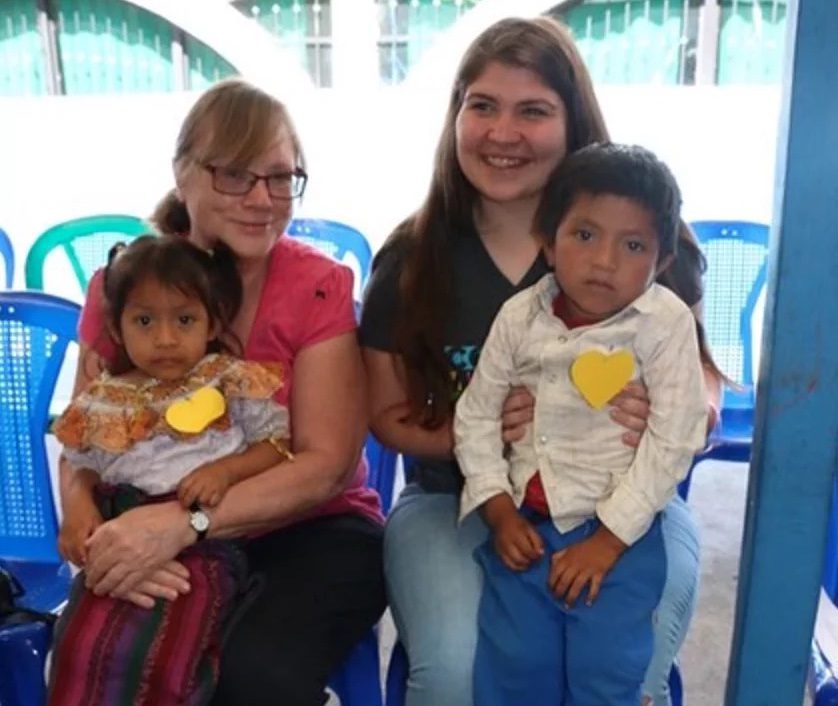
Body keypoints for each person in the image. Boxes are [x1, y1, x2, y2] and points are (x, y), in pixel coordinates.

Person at [359, 17, 721, 706]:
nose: (503, 134)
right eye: (483, 106)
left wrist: (682, 415)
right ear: (456, 114)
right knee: (462, 672)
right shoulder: (410, 258)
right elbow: (385, 415)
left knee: (620, 666)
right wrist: (483, 438)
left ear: (572, 118)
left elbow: (701, 379)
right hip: (455, 496)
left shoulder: (649, 238)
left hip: (622, 496)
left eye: (533, 111)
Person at [59, 78, 386, 706]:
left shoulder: (317, 286)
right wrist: (82, 514)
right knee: (109, 657)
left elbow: (325, 466)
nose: (263, 199)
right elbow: (89, 427)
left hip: (311, 529)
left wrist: (186, 524)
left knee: (250, 677)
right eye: (235, 175)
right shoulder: (127, 283)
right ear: (184, 176)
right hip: (148, 512)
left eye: (281, 177)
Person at [454, 142, 708, 706]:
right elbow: (474, 415)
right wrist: (497, 511)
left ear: (663, 261)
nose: (604, 261)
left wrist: (610, 540)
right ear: (548, 241)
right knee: (515, 667)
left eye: (634, 245)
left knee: (606, 672)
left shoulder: (664, 324)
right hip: (524, 525)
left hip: (623, 533)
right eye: (585, 235)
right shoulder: (520, 317)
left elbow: (675, 437)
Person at [49, 235, 293, 705]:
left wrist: (227, 470)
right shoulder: (104, 398)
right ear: (117, 329)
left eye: (184, 320)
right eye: (144, 320)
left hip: (203, 540)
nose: (165, 338)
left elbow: (276, 446)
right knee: (80, 646)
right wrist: (77, 509)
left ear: (211, 322)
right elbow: (79, 462)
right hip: (117, 528)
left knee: (164, 651)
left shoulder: (226, 380)